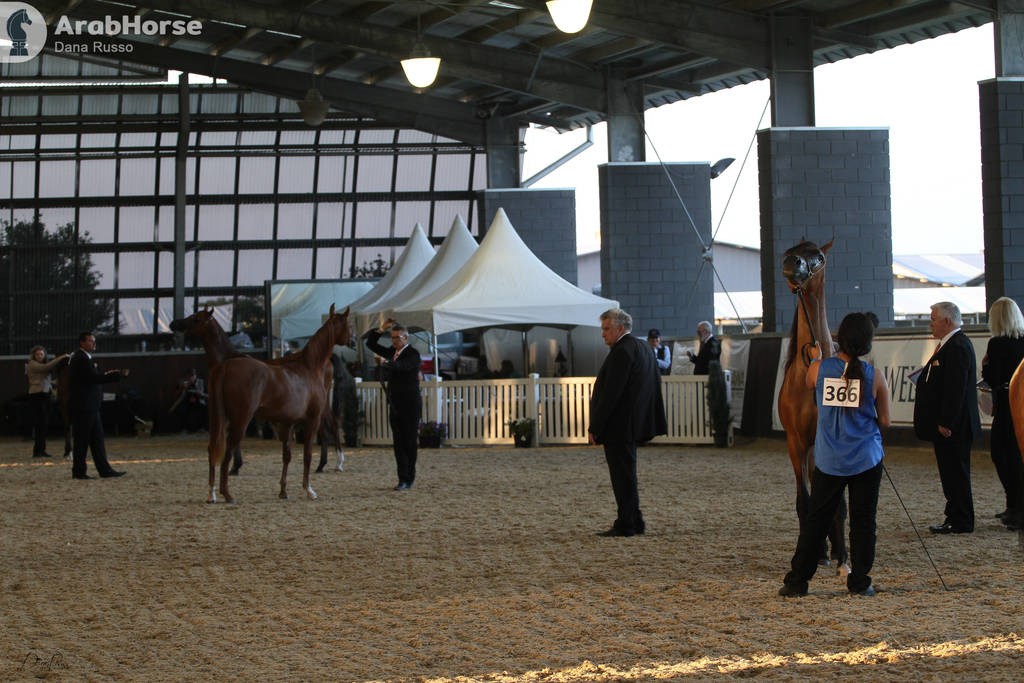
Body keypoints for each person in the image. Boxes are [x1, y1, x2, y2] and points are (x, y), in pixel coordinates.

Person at [778, 313, 891, 598]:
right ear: (867, 343)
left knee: (816, 521)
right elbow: (886, 422)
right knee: (864, 522)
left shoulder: (818, 371)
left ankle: (797, 582)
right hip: (865, 458)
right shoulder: (875, 377)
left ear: (840, 338)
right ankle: (860, 582)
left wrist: (818, 357)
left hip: (830, 460)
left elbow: (808, 382)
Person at [588, 308, 667, 537]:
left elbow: (612, 393)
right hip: (632, 424)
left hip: (619, 426)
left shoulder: (622, 351)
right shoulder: (642, 347)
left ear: (619, 328)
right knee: (627, 474)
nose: (603, 334)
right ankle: (634, 519)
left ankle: (627, 523)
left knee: (622, 475)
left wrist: (596, 426)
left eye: (606, 329)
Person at [913, 302, 981, 534]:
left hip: (955, 427)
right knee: (951, 473)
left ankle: (961, 520)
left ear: (946, 321)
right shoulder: (950, 345)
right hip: (952, 426)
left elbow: (956, 389)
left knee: (956, 474)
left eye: (933, 319)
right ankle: (955, 515)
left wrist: (945, 422)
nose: (930, 323)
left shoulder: (958, 346)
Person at [981, 296, 1024, 531]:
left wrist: (986, 365)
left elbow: (993, 378)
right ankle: (1015, 505)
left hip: (1007, 406)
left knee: (1002, 454)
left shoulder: (996, 345)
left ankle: (1015, 505)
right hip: (1021, 404)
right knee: (1016, 456)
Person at [363, 319, 422, 490]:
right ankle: (402, 479)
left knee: (410, 441)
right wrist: (382, 329)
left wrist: (385, 363)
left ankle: (409, 478)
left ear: (406, 337)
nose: (394, 341)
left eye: (397, 338)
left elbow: (402, 366)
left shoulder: (413, 354)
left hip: (410, 405)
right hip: (395, 404)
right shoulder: (392, 352)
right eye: (393, 337)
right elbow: (371, 343)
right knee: (398, 442)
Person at [68, 331, 127, 480]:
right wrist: (113, 376)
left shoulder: (84, 358)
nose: (93, 344)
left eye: (94, 341)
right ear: (82, 343)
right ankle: (79, 471)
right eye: (90, 341)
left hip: (90, 406)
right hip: (84, 406)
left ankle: (104, 469)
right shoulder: (81, 358)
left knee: (97, 440)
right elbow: (92, 378)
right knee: (82, 440)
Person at [25, 346, 70, 458]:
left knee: (43, 424)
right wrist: (60, 358)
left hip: (44, 394)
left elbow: (48, 381)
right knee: (40, 423)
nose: (39, 356)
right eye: (37, 354)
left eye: (41, 354)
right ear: (33, 356)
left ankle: (41, 450)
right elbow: (46, 367)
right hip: (37, 395)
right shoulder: (32, 364)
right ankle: (38, 450)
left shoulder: (38, 366)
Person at [171, 368, 207, 433]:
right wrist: (181, 387)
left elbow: (207, 394)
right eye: (189, 376)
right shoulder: (184, 382)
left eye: (193, 376)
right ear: (187, 377)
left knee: (202, 408)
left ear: (195, 376)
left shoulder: (200, 382)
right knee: (181, 408)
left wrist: (201, 394)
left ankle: (201, 428)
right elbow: (176, 393)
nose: (191, 378)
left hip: (199, 401)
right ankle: (185, 429)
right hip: (187, 402)